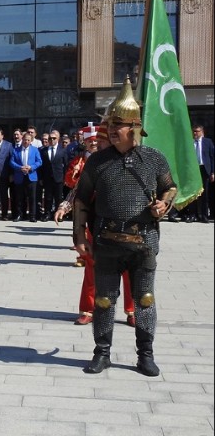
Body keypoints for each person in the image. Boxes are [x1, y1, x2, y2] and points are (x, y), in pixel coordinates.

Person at [73, 77, 176, 377]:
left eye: (117, 125)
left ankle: (145, 354)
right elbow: (81, 200)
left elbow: (170, 188)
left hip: (143, 242)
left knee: (144, 300)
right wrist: (79, 235)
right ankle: (101, 353)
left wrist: (164, 204)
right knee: (104, 301)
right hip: (106, 242)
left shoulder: (153, 159)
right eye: (109, 125)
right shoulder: (97, 162)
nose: (110, 131)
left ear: (133, 127)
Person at [56, 122, 135, 327]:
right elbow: (79, 191)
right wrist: (64, 206)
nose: (96, 147)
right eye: (95, 143)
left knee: (130, 271)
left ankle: (132, 310)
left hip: (128, 225)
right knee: (92, 268)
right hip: (97, 225)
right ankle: (88, 310)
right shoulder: (93, 164)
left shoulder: (133, 162)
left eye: (101, 143)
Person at [10, 132, 42, 222]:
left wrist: (31, 167)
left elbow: (39, 162)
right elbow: (11, 162)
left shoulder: (35, 150)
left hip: (31, 176)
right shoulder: (16, 150)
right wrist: (20, 168)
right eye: (25, 140)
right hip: (19, 176)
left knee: (32, 197)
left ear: (31, 141)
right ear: (22, 140)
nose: (26, 141)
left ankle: (32, 216)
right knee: (19, 197)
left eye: (28, 140)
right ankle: (20, 215)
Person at [188, 124, 214, 223]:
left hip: (204, 169)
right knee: (193, 193)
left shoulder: (208, 142)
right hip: (194, 170)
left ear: (202, 132)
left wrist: (212, 172)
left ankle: (204, 215)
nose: (195, 133)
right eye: (193, 131)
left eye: (197, 131)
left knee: (205, 194)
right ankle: (193, 215)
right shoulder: (190, 142)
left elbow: (212, 157)